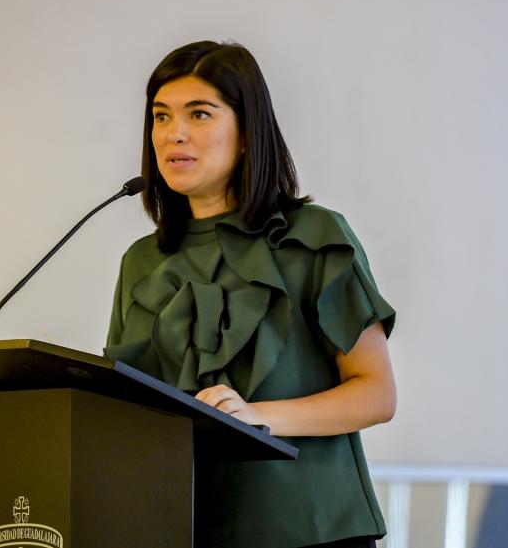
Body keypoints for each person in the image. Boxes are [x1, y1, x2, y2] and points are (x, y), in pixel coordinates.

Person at [105, 41, 397, 548]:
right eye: (161, 116)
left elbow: (377, 393)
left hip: (314, 531)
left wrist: (259, 416)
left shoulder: (314, 236)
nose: (174, 134)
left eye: (199, 114)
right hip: (184, 530)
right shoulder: (141, 262)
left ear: (246, 134)